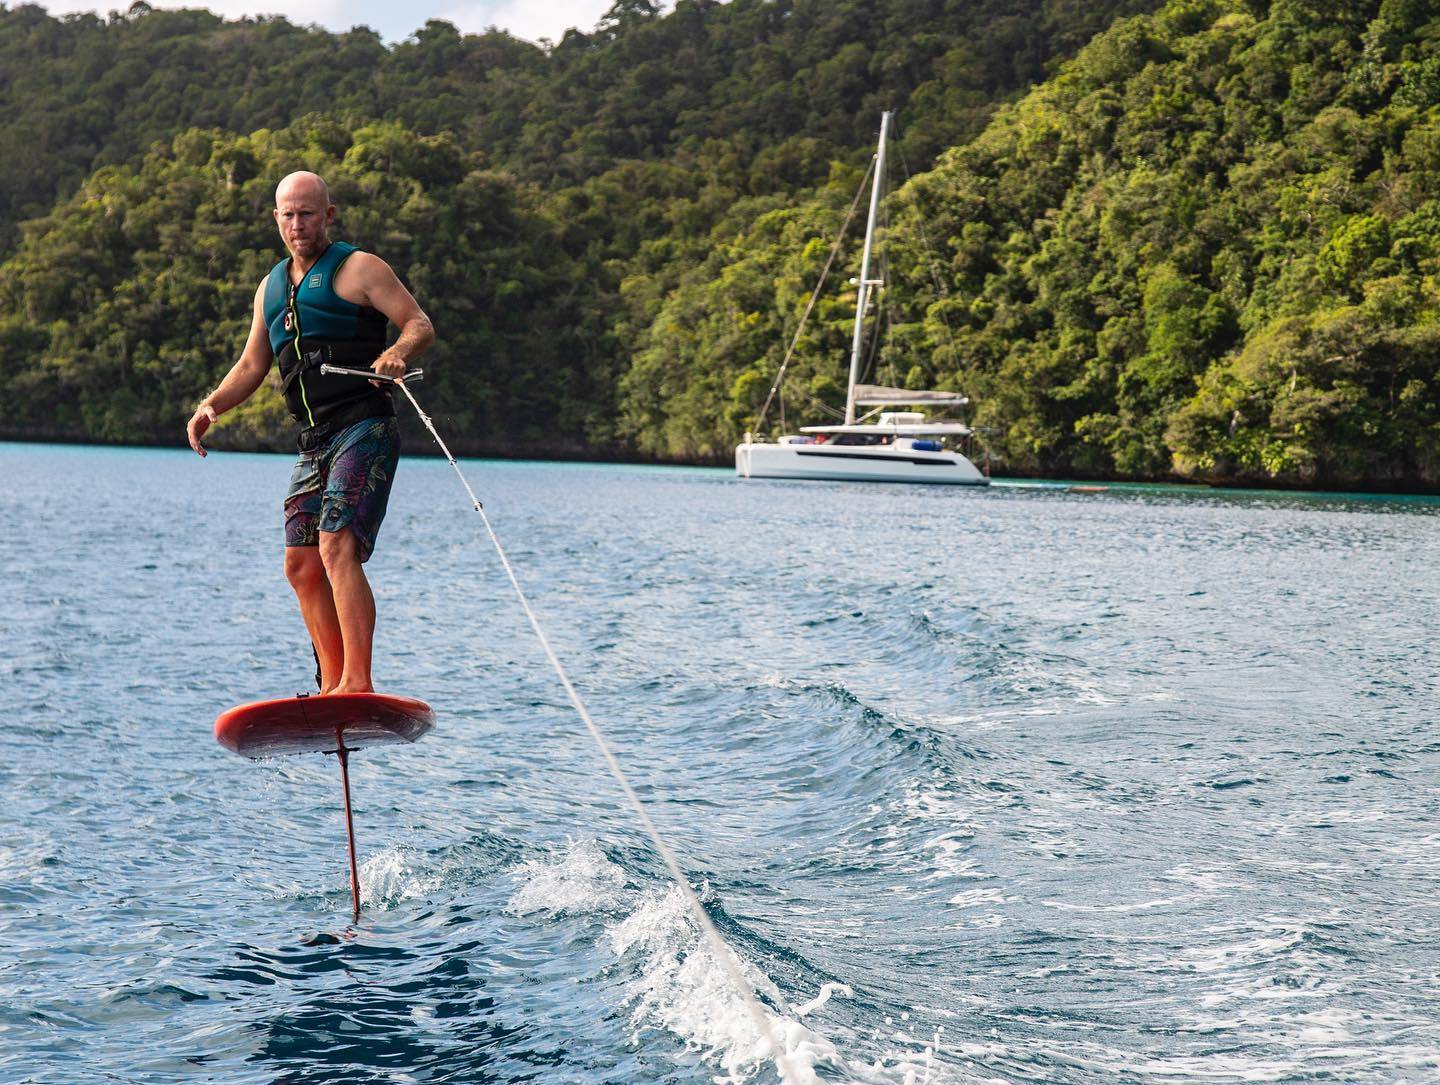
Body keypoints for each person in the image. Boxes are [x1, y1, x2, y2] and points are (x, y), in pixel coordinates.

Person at [186, 171, 435, 694]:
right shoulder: (271, 287)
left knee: (335, 544)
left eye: (308, 213)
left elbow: (418, 324)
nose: (298, 224)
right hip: (314, 440)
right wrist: (211, 406)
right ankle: (332, 682)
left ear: (329, 215)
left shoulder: (360, 268)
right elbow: (252, 366)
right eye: (288, 215)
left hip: (364, 425)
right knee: (300, 565)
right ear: (276, 218)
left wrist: (396, 352)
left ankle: (358, 682)